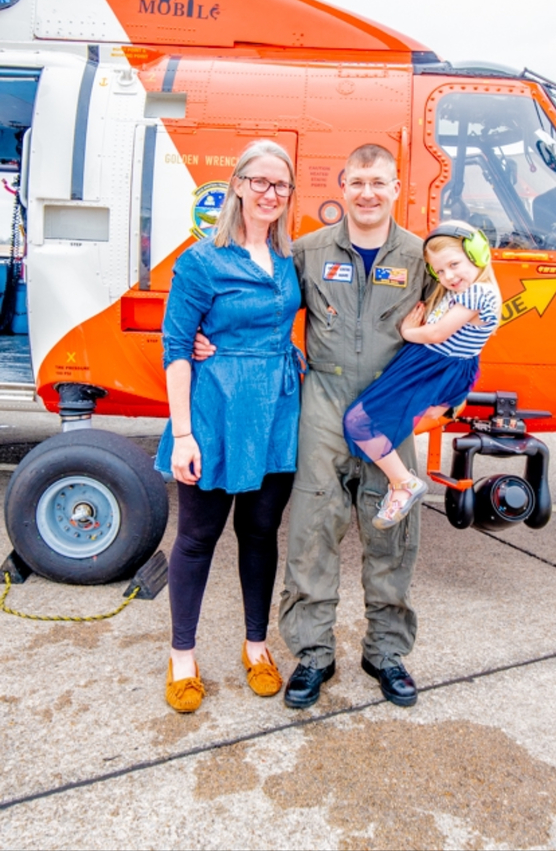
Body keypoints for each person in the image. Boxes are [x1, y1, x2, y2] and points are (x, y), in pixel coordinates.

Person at [194, 143, 433, 709]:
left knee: (393, 535)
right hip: (322, 404)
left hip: (389, 409)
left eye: (379, 183)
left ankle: (386, 653)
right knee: (311, 531)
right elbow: (251, 297)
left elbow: (466, 315)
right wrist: (211, 340)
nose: (368, 194)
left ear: (396, 188)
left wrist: (436, 397)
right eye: (357, 183)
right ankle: (314, 655)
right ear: (342, 188)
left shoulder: (423, 257)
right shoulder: (305, 250)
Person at [156, 139, 302, 713]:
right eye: (260, 182)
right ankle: (182, 656)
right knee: (196, 537)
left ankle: (256, 645)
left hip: (276, 412)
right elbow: (174, 348)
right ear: (238, 184)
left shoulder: (291, 258)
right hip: (215, 411)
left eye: (281, 185)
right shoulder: (200, 261)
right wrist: (184, 432)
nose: (270, 194)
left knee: (261, 533)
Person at [343, 221, 501, 528]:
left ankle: (403, 483)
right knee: (380, 423)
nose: (449, 277)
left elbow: (438, 333)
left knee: (358, 421)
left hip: (430, 366)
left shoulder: (478, 293)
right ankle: (399, 484)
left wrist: (407, 331)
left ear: (479, 254)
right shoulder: (467, 290)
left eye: (454, 265)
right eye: (439, 271)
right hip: (431, 364)